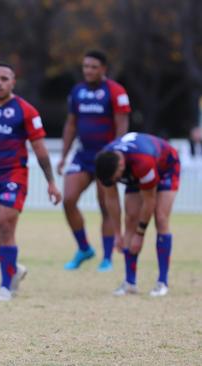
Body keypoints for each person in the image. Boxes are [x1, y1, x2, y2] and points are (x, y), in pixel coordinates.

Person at [0, 63, 62, 302]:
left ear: (13, 82)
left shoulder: (25, 110)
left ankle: (6, 286)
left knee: (5, 226)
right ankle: (14, 270)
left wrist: (51, 182)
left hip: (13, 177)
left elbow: (40, 149)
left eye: (4, 78)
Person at [58, 50, 131, 272]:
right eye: (85, 66)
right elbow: (71, 124)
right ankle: (84, 248)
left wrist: (116, 155)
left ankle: (107, 257)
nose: (88, 70)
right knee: (68, 200)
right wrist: (64, 155)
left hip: (105, 157)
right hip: (83, 155)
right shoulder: (77, 91)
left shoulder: (116, 92)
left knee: (105, 205)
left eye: (93, 67)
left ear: (103, 69)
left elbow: (122, 124)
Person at [94, 132, 179, 297]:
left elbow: (149, 200)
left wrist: (140, 235)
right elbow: (111, 199)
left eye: (116, 178)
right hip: (134, 170)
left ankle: (162, 282)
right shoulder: (105, 162)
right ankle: (130, 283)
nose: (115, 182)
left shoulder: (142, 161)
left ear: (120, 167)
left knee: (160, 218)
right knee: (131, 217)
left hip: (165, 166)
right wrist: (118, 234)